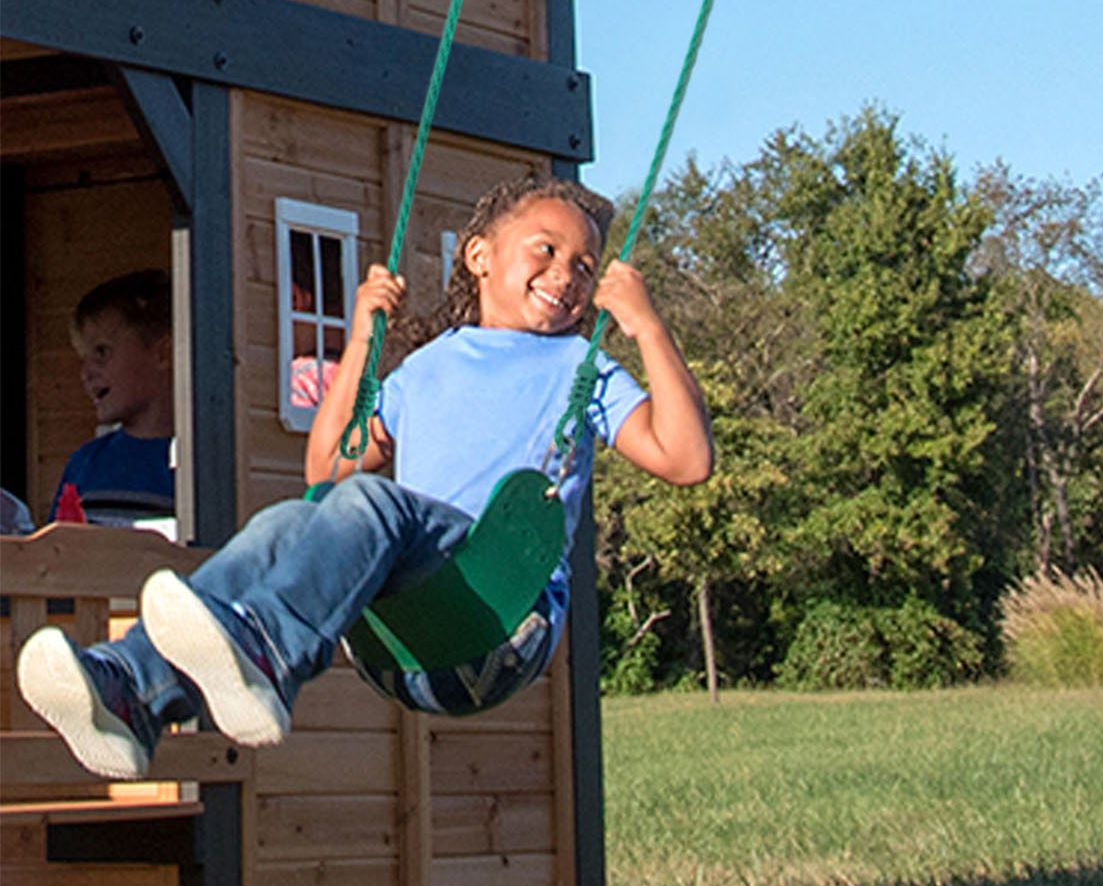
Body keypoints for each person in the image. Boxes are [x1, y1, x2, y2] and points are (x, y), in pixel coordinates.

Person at [15, 178, 712, 783]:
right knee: (284, 524)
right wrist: (359, 343)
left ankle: (269, 651)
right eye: (547, 249)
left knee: (374, 504)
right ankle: (130, 690)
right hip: (403, 624)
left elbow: (685, 460)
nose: (567, 273)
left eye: (585, 265)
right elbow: (329, 468)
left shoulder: (578, 369)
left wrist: (646, 327)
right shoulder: (431, 366)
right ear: (481, 256)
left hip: (501, 612)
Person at [50, 269, 177, 527]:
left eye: (101, 352)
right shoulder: (85, 463)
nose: (86, 373)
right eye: (83, 358)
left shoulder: (202, 462)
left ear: (164, 353)